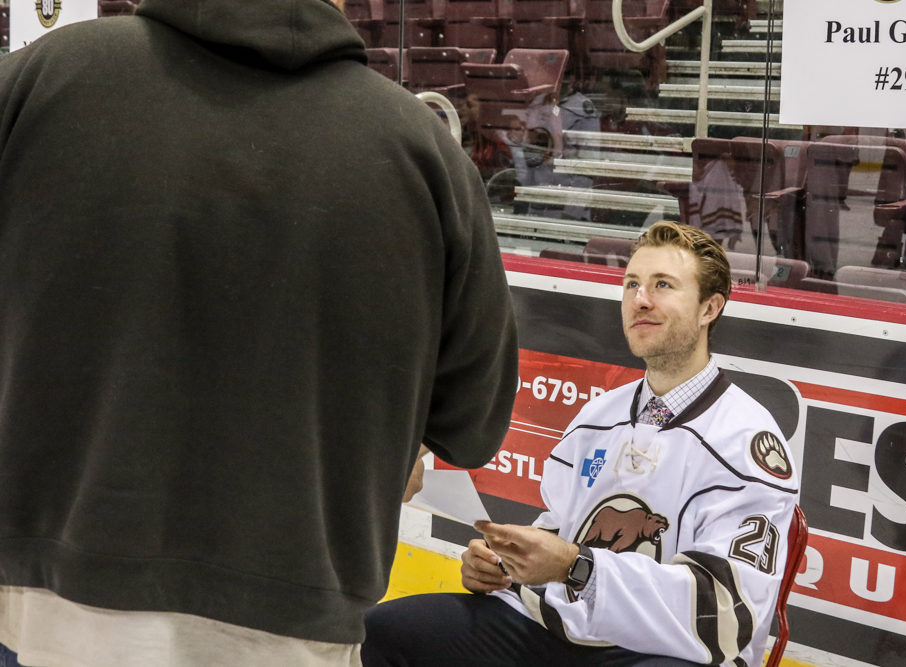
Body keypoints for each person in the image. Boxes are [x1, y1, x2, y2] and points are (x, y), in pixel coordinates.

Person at [0, 0, 518, 665]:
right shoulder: (421, 148)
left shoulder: (44, 76)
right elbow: (474, 422)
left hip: (49, 587)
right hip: (295, 605)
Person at [363, 221, 800, 667]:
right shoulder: (599, 415)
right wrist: (506, 565)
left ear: (710, 308)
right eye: (632, 284)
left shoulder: (745, 440)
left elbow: (726, 617)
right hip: (560, 630)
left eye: (663, 285)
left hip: (662, 653)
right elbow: (563, 533)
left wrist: (577, 566)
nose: (640, 300)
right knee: (382, 635)